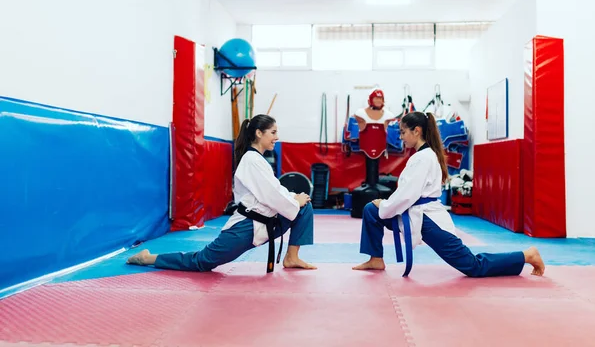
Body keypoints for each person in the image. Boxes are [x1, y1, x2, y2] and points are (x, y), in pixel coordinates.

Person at [352, 111, 545, 277]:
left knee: (473, 266)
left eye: (403, 132)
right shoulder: (424, 155)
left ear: (416, 130)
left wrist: (385, 205)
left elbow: (407, 195)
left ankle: (526, 255)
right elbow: (406, 194)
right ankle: (375, 258)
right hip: (415, 213)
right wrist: (382, 206)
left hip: (428, 219)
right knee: (370, 210)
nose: (401, 137)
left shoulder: (423, 158)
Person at [127, 114, 316, 273]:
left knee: (304, 206)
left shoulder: (258, 160)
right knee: (203, 261)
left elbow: (275, 190)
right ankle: (149, 258)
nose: (277, 137)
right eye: (273, 132)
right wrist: (293, 201)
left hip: (267, 221)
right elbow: (270, 195)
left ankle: (292, 257)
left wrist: (294, 198)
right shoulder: (251, 160)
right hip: (247, 227)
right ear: (259, 133)